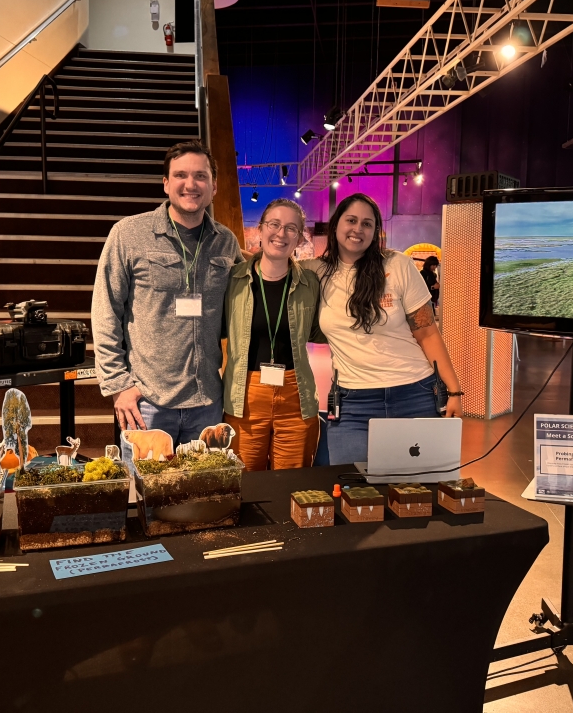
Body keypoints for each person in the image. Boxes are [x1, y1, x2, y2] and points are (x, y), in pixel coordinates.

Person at [92, 140, 243, 454]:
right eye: (181, 175)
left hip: (207, 404)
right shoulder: (128, 234)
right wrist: (119, 384)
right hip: (148, 403)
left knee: (201, 499)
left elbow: (247, 304)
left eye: (201, 176)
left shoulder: (225, 243)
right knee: (149, 498)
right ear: (166, 183)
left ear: (214, 186)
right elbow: (105, 311)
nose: (191, 184)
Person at [304, 193, 462, 464]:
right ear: (336, 224)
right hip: (352, 403)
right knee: (354, 494)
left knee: (419, 494)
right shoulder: (316, 271)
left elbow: (427, 332)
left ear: (376, 231)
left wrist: (454, 391)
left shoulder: (397, 265)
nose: (358, 229)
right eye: (351, 220)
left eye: (367, 224)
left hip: (415, 395)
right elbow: (270, 264)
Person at [223, 200, 323, 470]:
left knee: (291, 486)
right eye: (274, 224)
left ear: (300, 237)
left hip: (296, 395)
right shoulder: (233, 280)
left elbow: (322, 330)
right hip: (244, 396)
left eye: (291, 228)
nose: (281, 234)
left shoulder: (310, 283)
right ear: (261, 228)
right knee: (244, 482)